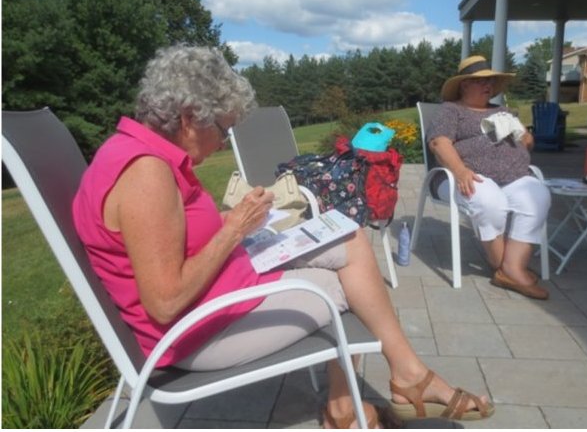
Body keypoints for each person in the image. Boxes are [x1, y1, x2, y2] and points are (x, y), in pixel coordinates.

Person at [71, 46, 493, 427]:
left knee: (348, 239)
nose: (223, 143)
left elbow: (173, 237)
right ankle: (365, 401)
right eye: (223, 128)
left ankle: (397, 381)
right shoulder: (146, 174)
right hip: (198, 333)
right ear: (187, 117)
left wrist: (239, 221)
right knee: (343, 286)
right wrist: (235, 228)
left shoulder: (142, 156)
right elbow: (165, 303)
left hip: (223, 291)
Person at [429, 55, 552, 300]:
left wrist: (519, 130)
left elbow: (528, 143)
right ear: (464, 84)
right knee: (488, 200)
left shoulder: (502, 110)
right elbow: (438, 142)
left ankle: (511, 268)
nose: (489, 86)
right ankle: (504, 267)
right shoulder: (451, 110)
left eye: (492, 81)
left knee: (538, 197)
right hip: (463, 175)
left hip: (514, 176)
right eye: (482, 81)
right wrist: (460, 170)